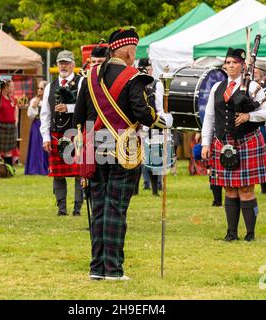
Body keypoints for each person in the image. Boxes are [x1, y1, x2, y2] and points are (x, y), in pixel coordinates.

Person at [73, 27, 173, 280]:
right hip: (122, 149)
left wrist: (83, 149)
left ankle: (97, 268)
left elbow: (81, 116)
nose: (134, 54)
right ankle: (114, 270)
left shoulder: (90, 75)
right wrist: (163, 121)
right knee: (115, 209)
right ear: (128, 50)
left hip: (94, 149)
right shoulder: (133, 77)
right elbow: (142, 113)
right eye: (134, 50)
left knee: (98, 208)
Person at [201, 47, 266, 242]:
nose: (231, 66)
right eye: (228, 63)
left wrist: (249, 115)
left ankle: (250, 233)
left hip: (246, 141)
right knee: (229, 188)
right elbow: (210, 117)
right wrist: (206, 143)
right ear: (224, 66)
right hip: (223, 143)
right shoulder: (217, 88)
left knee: (246, 189)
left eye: (235, 63)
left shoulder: (253, 86)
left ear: (242, 65)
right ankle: (231, 233)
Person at [40, 50, 84, 216]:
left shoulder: (81, 82)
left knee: (79, 173)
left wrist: (69, 108)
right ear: (57, 65)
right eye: (61, 63)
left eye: (67, 62)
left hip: (75, 132)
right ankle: (62, 208)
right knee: (58, 174)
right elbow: (45, 114)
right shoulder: (50, 87)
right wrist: (45, 137)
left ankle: (78, 208)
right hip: (56, 133)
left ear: (73, 64)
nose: (64, 66)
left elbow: (84, 107)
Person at [136, 58, 163, 196]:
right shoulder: (135, 82)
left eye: (147, 68)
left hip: (152, 125)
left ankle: (155, 189)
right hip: (136, 126)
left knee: (154, 159)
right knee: (135, 159)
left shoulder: (157, 84)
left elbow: (159, 108)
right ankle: (135, 190)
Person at [25, 80, 49, 175]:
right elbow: (30, 115)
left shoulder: (48, 100)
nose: (39, 90)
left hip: (46, 124)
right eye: (38, 88)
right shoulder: (34, 100)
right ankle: (34, 168)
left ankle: (46, 167)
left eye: (41, 88)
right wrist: (34, 107)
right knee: (35, 146)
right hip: (36, 124)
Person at [0, 80, 18, 168]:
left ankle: (9, 169)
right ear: (5, 88)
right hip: (1, 126)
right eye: (11, 87)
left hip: (11, 127)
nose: (13, 89)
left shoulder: (12, 99)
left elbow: (15, 110)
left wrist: (16, 121)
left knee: (9, 150)